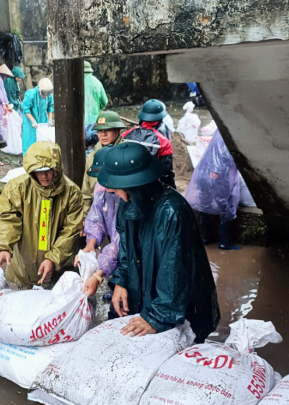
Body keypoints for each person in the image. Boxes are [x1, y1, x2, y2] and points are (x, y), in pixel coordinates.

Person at [98, 142, 220, 343]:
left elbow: (175, 272)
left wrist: (156, 318)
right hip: (148, 293)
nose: (116, 195)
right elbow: (126, 251)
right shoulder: (128, 205)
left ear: (134, 187)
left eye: (118, 190)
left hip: (180, 305)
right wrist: (121, 281)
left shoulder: (173, 212)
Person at [0, 141, 83, 290]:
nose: (44, 176)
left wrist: (53, 259)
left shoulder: (72, 193)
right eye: (38, 171)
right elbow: (7, 220)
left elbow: (71, 231)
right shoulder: (16, 189)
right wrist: (3, 247)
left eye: (48, 170)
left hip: (59, 271)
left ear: (57, 168)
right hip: (23, 270)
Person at [74, 146, 120, 300]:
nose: (102, 181)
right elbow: (96, 220)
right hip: (118, 251)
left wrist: (98, 274)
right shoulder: (102, 189)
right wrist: (90, 244)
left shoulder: (130, 196)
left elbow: (122, 241)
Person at [185, 130, 242, 250]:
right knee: (226, 207)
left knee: (204, 204)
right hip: (216, 176)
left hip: (203, 173)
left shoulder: (219, 133)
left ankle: (207, 237)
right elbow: (225, 156)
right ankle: (224, 243)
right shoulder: (229, 136)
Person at [121, 99, 176, 189]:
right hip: (150, 186)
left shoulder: (126, 134)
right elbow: (166, 173)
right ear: (160, 119)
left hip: (126, 185)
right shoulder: (163, 142)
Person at [81, 111, 125, 216]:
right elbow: (86, 192)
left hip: (122, 214)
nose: (103, 134)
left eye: (108, 130)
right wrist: (85, 217)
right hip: (98, 215)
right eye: (100, 130)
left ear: (117, 130)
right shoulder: (92, 157)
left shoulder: (127, 154)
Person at [21, 78, 54, 156]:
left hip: (43, 121)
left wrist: (50, 119)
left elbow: (50, 107)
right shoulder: (31, 94)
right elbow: (25, 108)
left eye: (47, 93)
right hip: (30, 122)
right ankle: (28, 160)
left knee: (43, 141)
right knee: (30, 140)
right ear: (39, 89)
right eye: (44, 93)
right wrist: (33, 121)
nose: (45, 95)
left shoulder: (49, 96)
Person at [84, 61, 108, 125]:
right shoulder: (97, 82)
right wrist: (98, 107)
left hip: (78, 123)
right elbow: (105, 101)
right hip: (94, 120)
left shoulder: (73, 83)